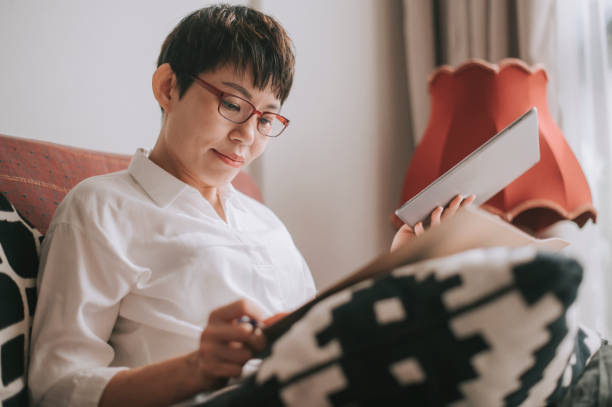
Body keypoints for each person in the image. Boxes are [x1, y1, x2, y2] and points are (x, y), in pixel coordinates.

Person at [28, 5, 473, 407]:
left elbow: (319, 345)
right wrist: (198, 368)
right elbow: (59, 389)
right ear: (167, 87)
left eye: (265, 119)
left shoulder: (266, 225)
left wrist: (401, 269)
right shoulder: (101, 209)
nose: (247, 136)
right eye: (232, 104)